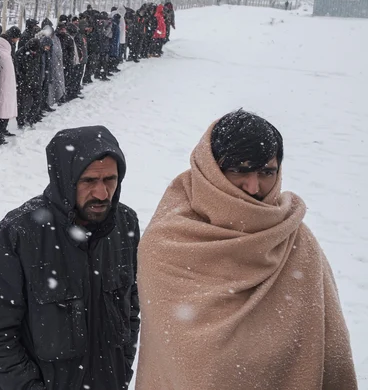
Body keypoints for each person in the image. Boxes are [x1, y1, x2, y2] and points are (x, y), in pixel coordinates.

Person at [135, 110, 358, 390]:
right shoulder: (169, 243)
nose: (253, 187)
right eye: (240, 170)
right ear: (212, 168)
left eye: (266, 172)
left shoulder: (296, 239)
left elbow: (330, 350)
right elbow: (175, 358)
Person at [0, 126, 140, 390]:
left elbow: (130, 310)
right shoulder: (17, 234)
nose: (101, 193)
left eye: (110, 179)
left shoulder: (125, 225)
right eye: (88, 181)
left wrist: (121, 370)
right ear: (65, 178)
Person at [0, 28, 17, 144]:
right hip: (5, 88)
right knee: (3, 111)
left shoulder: (2, 52)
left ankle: (0, 132)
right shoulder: (4, 55)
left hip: (4, 88)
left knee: (3, 110)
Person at [15, 38, 41, 130]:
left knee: (37, 99)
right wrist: (22, 79)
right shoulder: (20, 53)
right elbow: (17, 69)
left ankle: (30, 118)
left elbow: (37, 65)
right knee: (22, 102)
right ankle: (21, 121)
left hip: (34, 80)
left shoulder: (37, 51)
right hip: (23, 81)